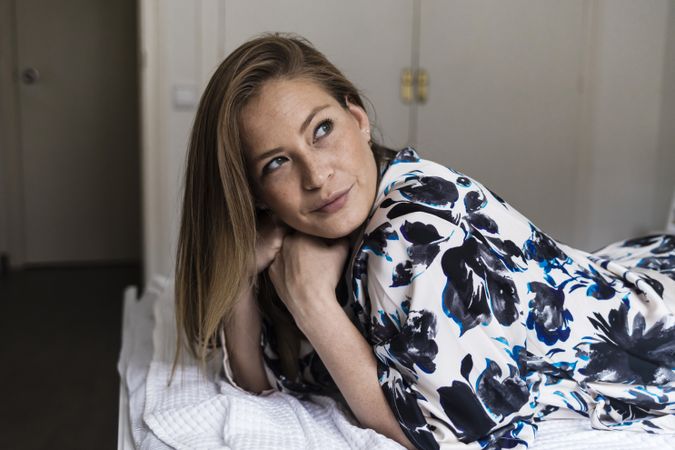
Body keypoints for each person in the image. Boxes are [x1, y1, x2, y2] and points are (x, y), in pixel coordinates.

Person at [174, 34, 675, 449]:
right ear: (256, 196)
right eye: (276, 163)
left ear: (358, 118)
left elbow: (443, 437)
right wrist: (242, 277)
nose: (317, 174)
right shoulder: (305, 238)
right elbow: (259, 380)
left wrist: (312, 305)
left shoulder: (410, 237)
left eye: (322, 129)